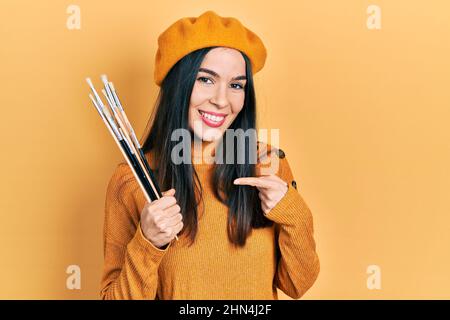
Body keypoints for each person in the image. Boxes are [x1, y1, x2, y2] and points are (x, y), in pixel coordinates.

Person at [100, 10, 320, 300]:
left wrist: (293, 212)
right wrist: (148, 242)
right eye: (205, 79)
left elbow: (297, 284)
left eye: (236, 85)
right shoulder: (132, 180)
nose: (221, 100)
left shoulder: (268, 165)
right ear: (178, 85)